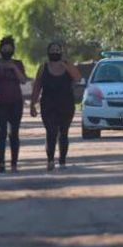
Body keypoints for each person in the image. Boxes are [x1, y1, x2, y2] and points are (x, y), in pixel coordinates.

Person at [31, 41, 82, 170]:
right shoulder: (43, 67)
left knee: (64, 133)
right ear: (48, 52)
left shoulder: (67, 65)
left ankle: (62, 161)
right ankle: (50, 160)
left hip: (66, 104)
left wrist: (66, 65)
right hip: (48, 105)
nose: (55, 52)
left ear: (61, 52)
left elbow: (78, 78)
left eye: (57, 49)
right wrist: (33, 104)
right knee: (51, 132)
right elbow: (37, 86)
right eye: (52, 49)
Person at [0, 36, 27, 173]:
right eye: (4, 48)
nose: (7, 50)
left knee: (14, 134)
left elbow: (23, 80)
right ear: (0, 49)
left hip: (16, 103)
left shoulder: (18, 63)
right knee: (1, 133)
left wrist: (13, 67)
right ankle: (1, 163)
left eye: (9, 48)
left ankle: (14, 164)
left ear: (13, 50)